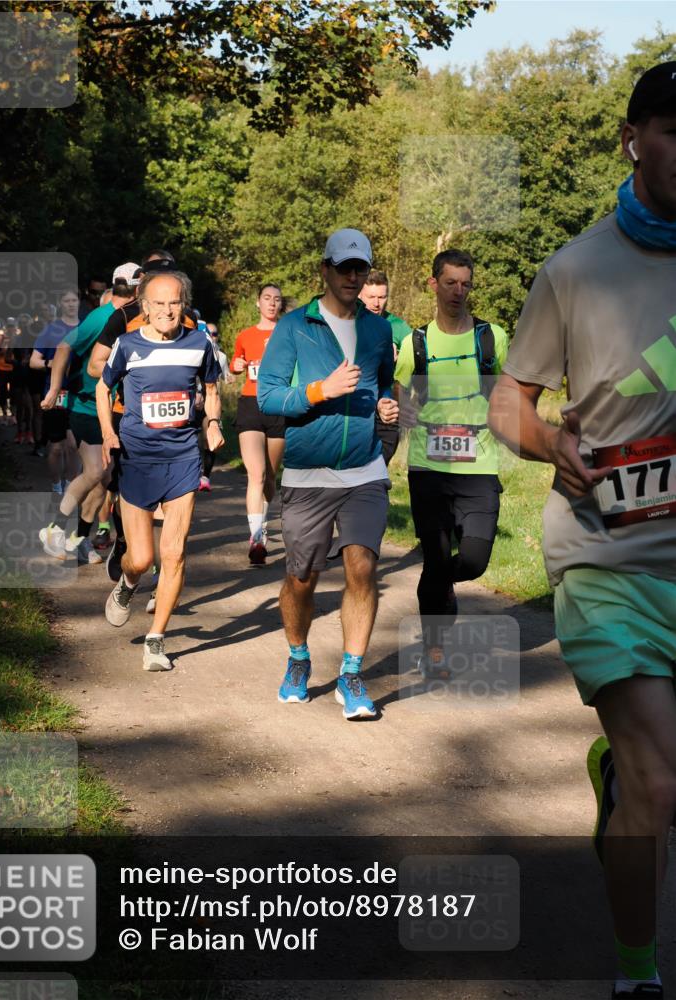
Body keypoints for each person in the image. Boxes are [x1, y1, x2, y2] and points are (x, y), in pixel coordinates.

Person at [487, 62, 676, 1000]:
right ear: (634, 138)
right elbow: (509, 400)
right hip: (608, 555)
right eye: (674, 128)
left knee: (654, 776)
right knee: (661, 780)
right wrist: (547, 439)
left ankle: (618, 783)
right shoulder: (577, 266)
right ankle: (638, 977)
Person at [257, 228, 398, 719]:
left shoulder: (380, 331)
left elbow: (386, 384)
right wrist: (320, 390)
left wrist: (387, 406)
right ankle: (298, 658)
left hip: (364, 470)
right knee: (303, 576)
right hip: (308, 474)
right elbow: (268, 395)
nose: (353, 277)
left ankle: (352, 674)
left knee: (362, 566)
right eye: (345, 268)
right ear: (325, 269)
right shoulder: (295, 326)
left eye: (360, 268)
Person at [96, 271, 224, 671]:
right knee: (140, 557)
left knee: (174, 553)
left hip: (183, 457)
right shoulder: (127, 345)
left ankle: (156, 638)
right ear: (145, 307)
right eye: (159, 303)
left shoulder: (199, 343)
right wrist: (106, 433)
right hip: (137, 458)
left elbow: (213, 391)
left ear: (183, 305)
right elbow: (104, 388)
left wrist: (214, 423)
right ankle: (128, 584)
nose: (167, 311)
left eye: (174, 303)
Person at [394, 249, 508, 676]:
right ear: (433, 284)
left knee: (474, 562)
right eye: (450, 283)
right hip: (429, 466)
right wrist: (402, 409)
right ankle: (434, 649)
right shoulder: (416, 342)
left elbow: (509, 387)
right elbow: (399, 387)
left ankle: (441, 588)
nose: (458, 291)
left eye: (465, 283)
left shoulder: (490, 337)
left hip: (479, 463)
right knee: (437, 558)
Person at [39, 263, 141, 565]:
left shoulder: (131, 315)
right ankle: (54, 528)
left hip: (112, 408)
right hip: (87, 406)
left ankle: (79, 539)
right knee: (96, 472)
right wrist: (54, 388)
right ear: (137, 288)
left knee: (106, 479)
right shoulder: (103, 316)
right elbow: (62, 347)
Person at [230, 283, 286, 564]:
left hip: (278, 406)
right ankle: (256, 539)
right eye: (267, 298)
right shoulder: (246, 335)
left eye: (277, 299)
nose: (272, 303)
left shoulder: (289, 334)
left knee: (270, 478)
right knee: (257, 474)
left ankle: (261, 524)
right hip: (250, 405)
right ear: (258, 303)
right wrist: (237, 365)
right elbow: (235, 362)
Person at [30, 289, 81, 494]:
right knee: (57, 446)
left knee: (73, 444)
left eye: (74, 300)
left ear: (79, 302)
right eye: (66, 301)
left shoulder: (86, 327)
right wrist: (54, 363)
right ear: (61, 304)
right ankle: (56, 484)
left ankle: (70, 485)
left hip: (79, 393)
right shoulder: (51, 330)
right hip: (55, 393)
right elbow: (34, 362)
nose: (70, 304)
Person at [360, 269, 412, 465]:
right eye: (371, 297)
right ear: (359, 294)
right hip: (358, 406)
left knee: (378, 467)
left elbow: (417, 365)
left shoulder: (398, 327)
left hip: (388, 409)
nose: (376, 303)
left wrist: (396, 361)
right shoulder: (349, 323)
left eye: (382, 297)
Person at [197, 323, 233, 492]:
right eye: (208, 333)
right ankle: (194, 472)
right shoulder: (192, 351)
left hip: (210, 402)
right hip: (192, 402)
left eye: (214, 333)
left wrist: (230, 378)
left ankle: (205, 476)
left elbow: (225, 377)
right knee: (193, 439)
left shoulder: (221, 356)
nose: (212, 336)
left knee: (208, 438)